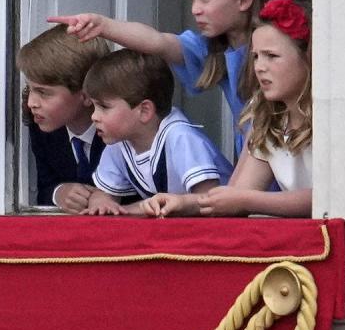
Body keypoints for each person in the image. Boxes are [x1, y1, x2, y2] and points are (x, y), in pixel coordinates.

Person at [49, 0, 273, 160]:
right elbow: (158, 42)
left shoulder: (277, 50)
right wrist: (103, 25)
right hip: (255, 175)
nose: (195, 9)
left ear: (244, 0)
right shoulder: (214, 47)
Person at [143, 0, 312, 218]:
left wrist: (246, 200)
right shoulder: (267, 116)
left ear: (308, 58)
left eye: (272, 56)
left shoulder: (333, 115)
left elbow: (329, 197)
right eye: (255, 56)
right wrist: (184, 202)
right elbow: (238, 194)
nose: (259, 67)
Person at [80, 49, 233, 215]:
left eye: (104, 107)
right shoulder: (119, 143)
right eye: (94, 107)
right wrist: (101, 203)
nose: (94, 116)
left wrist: (131, 210)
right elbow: (104, 194)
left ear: (145, 111)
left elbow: (208, 198)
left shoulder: (181, 138)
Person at [16, 24, 111, 210]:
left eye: (43, 92)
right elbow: (45, 185)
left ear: (85, 95)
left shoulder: (120, 132)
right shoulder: (42, 125)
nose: (31, 103)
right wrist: (59, 192)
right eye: (30, 89)